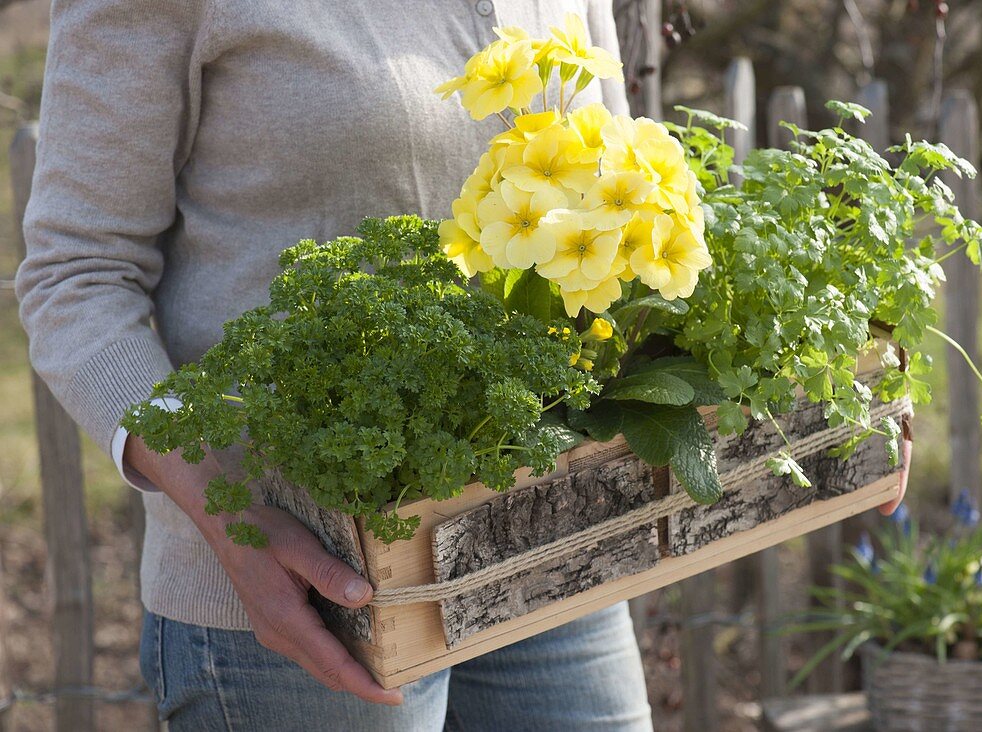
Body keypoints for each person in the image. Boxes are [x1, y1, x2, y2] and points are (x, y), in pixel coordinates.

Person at [15, 1, 911, 729]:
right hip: (306, 602)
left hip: (550, 541)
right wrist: (233, 521)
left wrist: (824, 394)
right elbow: (76, 277)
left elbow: (612, 209)